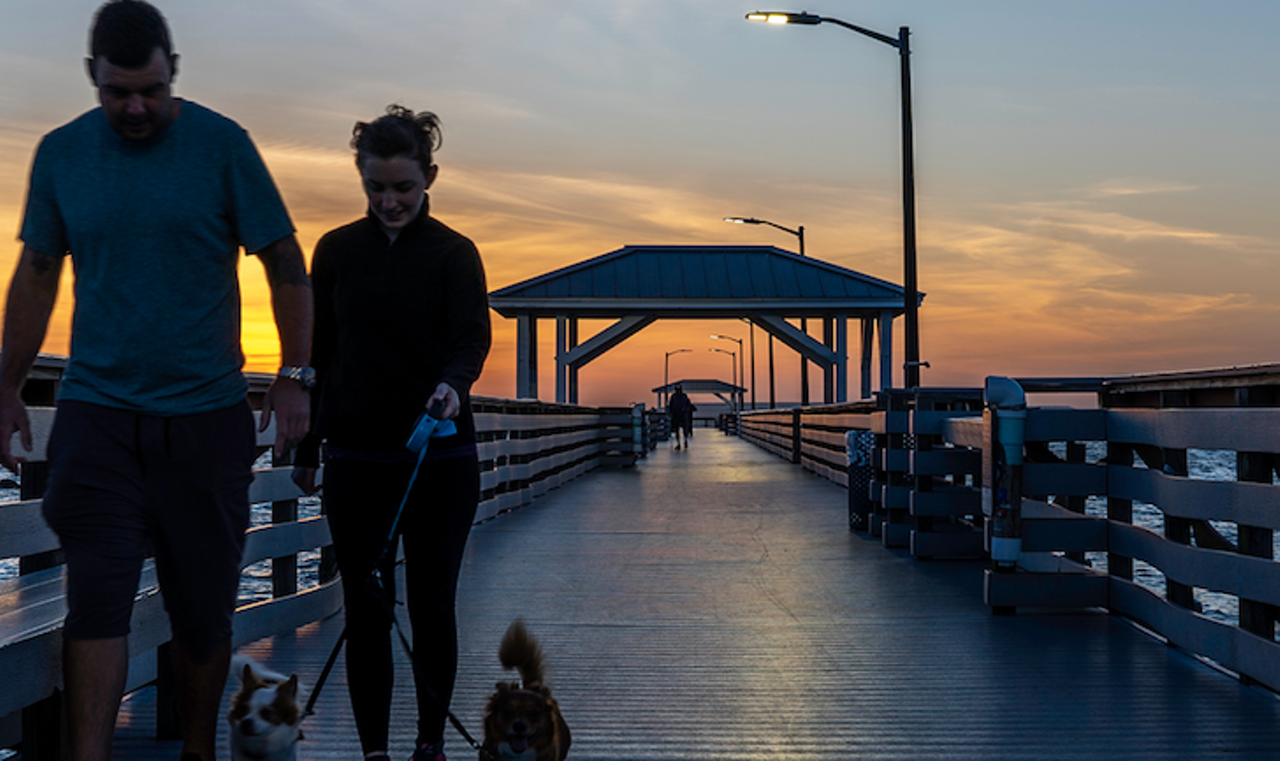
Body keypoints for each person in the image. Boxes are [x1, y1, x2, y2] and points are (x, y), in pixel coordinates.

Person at [0, 2, 312, 760]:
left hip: (205, 418)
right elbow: (37, 272)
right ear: (92, 79)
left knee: (203, 609)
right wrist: (4, 385)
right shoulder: (63, 154)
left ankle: (198, 750)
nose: (135, 107)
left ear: (173, 68)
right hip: (97, 415)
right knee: (96, 599)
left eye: (149, 89)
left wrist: (295, 375)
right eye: (117, 93)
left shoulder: (222, 146)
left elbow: (284, 264)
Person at [292, 105, 491, 761]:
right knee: (367, 610)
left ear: (430, 176)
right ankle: (374, 752)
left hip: (440, 458)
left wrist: (453, 384)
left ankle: (429, 745)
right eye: (376, 187)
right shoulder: (336, 250)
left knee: (433, 607)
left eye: (403, 187)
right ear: (361, 178)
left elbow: (470, 339)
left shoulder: (455, 254)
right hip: (356, 458)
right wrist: (307, 447)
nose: (390, 200)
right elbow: (319, 354)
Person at [668, 384, 694, 449]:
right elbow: (671, 406)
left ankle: (684, 441)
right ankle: (679, 443)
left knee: (684, 429)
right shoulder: (675, 397)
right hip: (676, 415)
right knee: (677, 430)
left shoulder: (683, 396)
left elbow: (688, 405)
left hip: (682, 415)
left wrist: (686, 411)